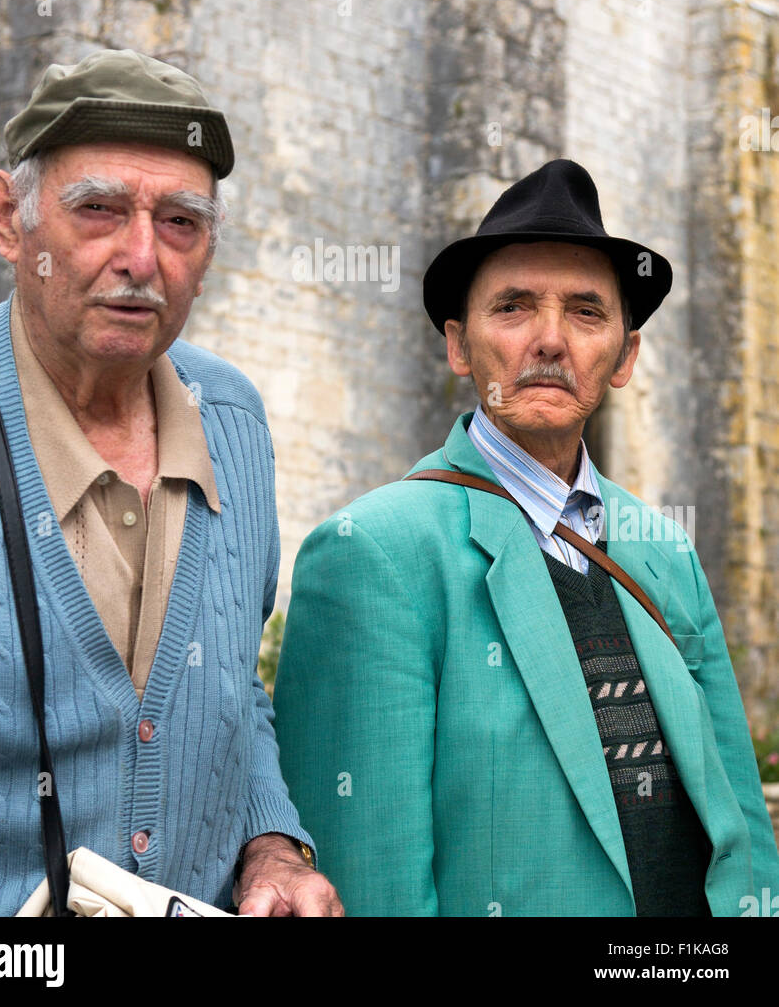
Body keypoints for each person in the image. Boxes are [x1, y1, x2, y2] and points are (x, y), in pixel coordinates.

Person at [274, 158, 779, 917]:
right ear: (458, 345)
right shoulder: (373, 553)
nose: (549, 340)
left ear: (625, 356)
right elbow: (371, 882)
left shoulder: (664, 549)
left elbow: (741, 823)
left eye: (585, 311)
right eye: (512, 308)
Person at [0, 48, 343, 918]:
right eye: (99, 210)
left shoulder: (234, 420)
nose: (141, 258)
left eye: (181, 222)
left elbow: (232, 694)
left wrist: (271, 850)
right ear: (10, 220)